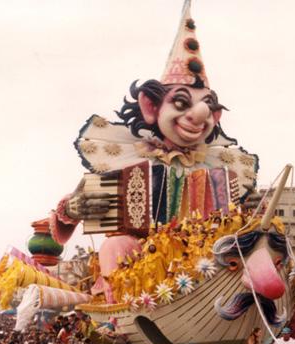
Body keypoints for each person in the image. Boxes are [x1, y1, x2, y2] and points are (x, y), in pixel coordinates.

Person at [48, 0, 259, 302]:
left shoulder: (222, 170)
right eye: (182, 104)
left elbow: (239, 223)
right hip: (141, 265)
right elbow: (73, 210)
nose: (197, 117)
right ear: (151, 106)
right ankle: (121, 318)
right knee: (115, 247)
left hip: (203, 260)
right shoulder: (127, 156)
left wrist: (250, 209)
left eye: (208, 107)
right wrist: (73, 209)